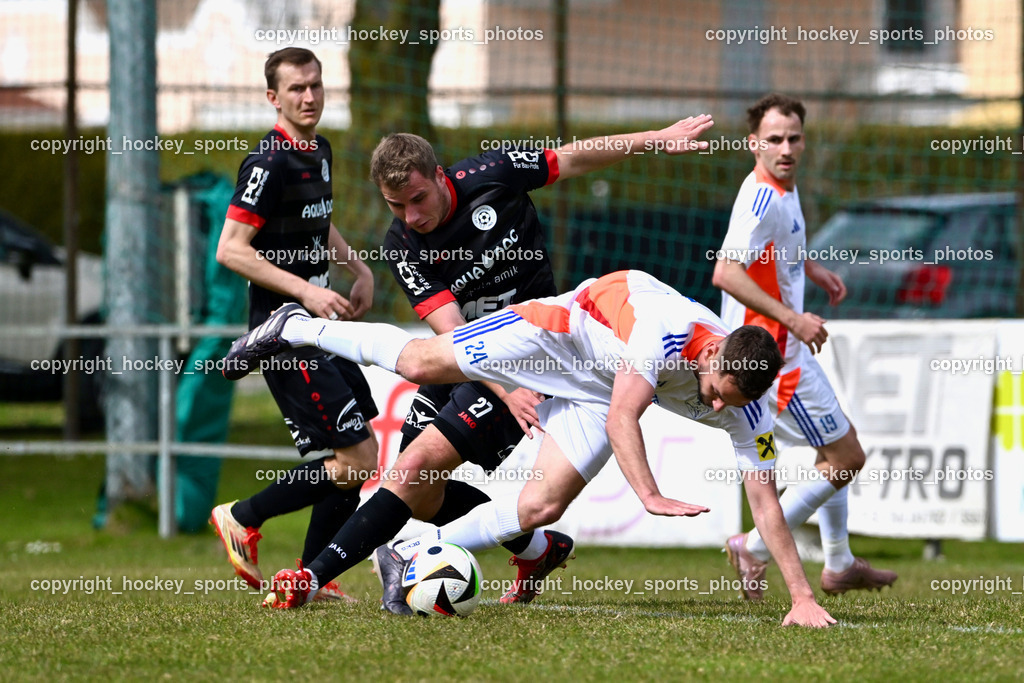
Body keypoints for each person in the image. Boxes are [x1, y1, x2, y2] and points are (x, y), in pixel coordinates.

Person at [224, 117, 719, 611]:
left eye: (417, 199)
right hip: (474, 356)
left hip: (540, 355)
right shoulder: (402, 244)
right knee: (423, 491)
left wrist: (653, 139)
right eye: (396, 205)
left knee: (413, 469)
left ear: (440, 176)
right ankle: (538, 550)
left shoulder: (495, 171)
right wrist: (501, 385)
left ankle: (310, 579)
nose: (410, 216)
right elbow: (455, 332)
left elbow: (576, 156)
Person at [225, 269, 838, 627]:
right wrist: (648, 494)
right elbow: (628, 415)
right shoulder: (664, 333)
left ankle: (414, 549)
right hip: (556, 334)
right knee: (420, 361)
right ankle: (296, 326)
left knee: (539, 509)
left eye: (732, 403)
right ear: (712, 354)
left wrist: (803, 598)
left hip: (598, 386)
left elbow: (765, 498)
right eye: (716, 392)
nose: (720, 408)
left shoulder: (748, 402)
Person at [209, 47, 378, 604]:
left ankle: (310, 578)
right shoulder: (267, 162)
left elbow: (317, 224)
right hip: (286, 332)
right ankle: (241, 516)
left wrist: (355, 266)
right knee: (357, 459)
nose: (309, 97)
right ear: (273, 98)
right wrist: (306, 289)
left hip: (323, 325)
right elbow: (231, 250)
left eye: (316, 85)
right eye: (297, 89)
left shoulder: (320, 149)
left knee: (357, 460)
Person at [712, 93, 897, 600]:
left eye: (793, 138)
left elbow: (774, 250)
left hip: (775, 352)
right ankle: (754, 546)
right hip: (772, 357)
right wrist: (793, 317)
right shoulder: (761, 198)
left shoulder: (783, 188)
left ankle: (837, 562)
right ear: (754, 143)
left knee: (832, 450)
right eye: (773, 139)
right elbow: (726, 272)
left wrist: (807, 267)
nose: (785, 147)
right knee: (845, 456)